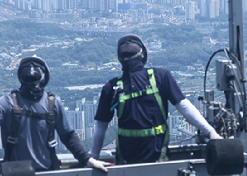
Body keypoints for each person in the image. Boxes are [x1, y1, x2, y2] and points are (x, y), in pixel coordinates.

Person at [90, 34, 221, 164]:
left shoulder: (112, 87)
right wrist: (211, 131)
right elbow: (184, 107)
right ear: (143, 55)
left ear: (120, 60)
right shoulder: (161, 77)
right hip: (159, 158)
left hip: (126, 163)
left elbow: (101, 126)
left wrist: (94, 157)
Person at [0, 57, 109, 176]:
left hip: (41, 174)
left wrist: (88, 159)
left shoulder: (48, 103)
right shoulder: (9, 103)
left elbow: (68, 136)